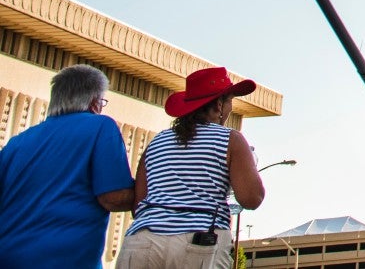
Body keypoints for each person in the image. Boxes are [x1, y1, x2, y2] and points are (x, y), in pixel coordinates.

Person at [116, 67, 265, 269]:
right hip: (200, 242)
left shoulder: (158, 141)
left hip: (143, 240)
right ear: (219, 105)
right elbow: (251, 198)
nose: (230, 108)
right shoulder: (231, 139)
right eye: (230, 101)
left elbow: (138, 204)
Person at [0, 64, 136, 269]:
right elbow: (113, 198)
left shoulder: (17, 142)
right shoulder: (100, 126)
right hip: (65, 259)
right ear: (94, 102)